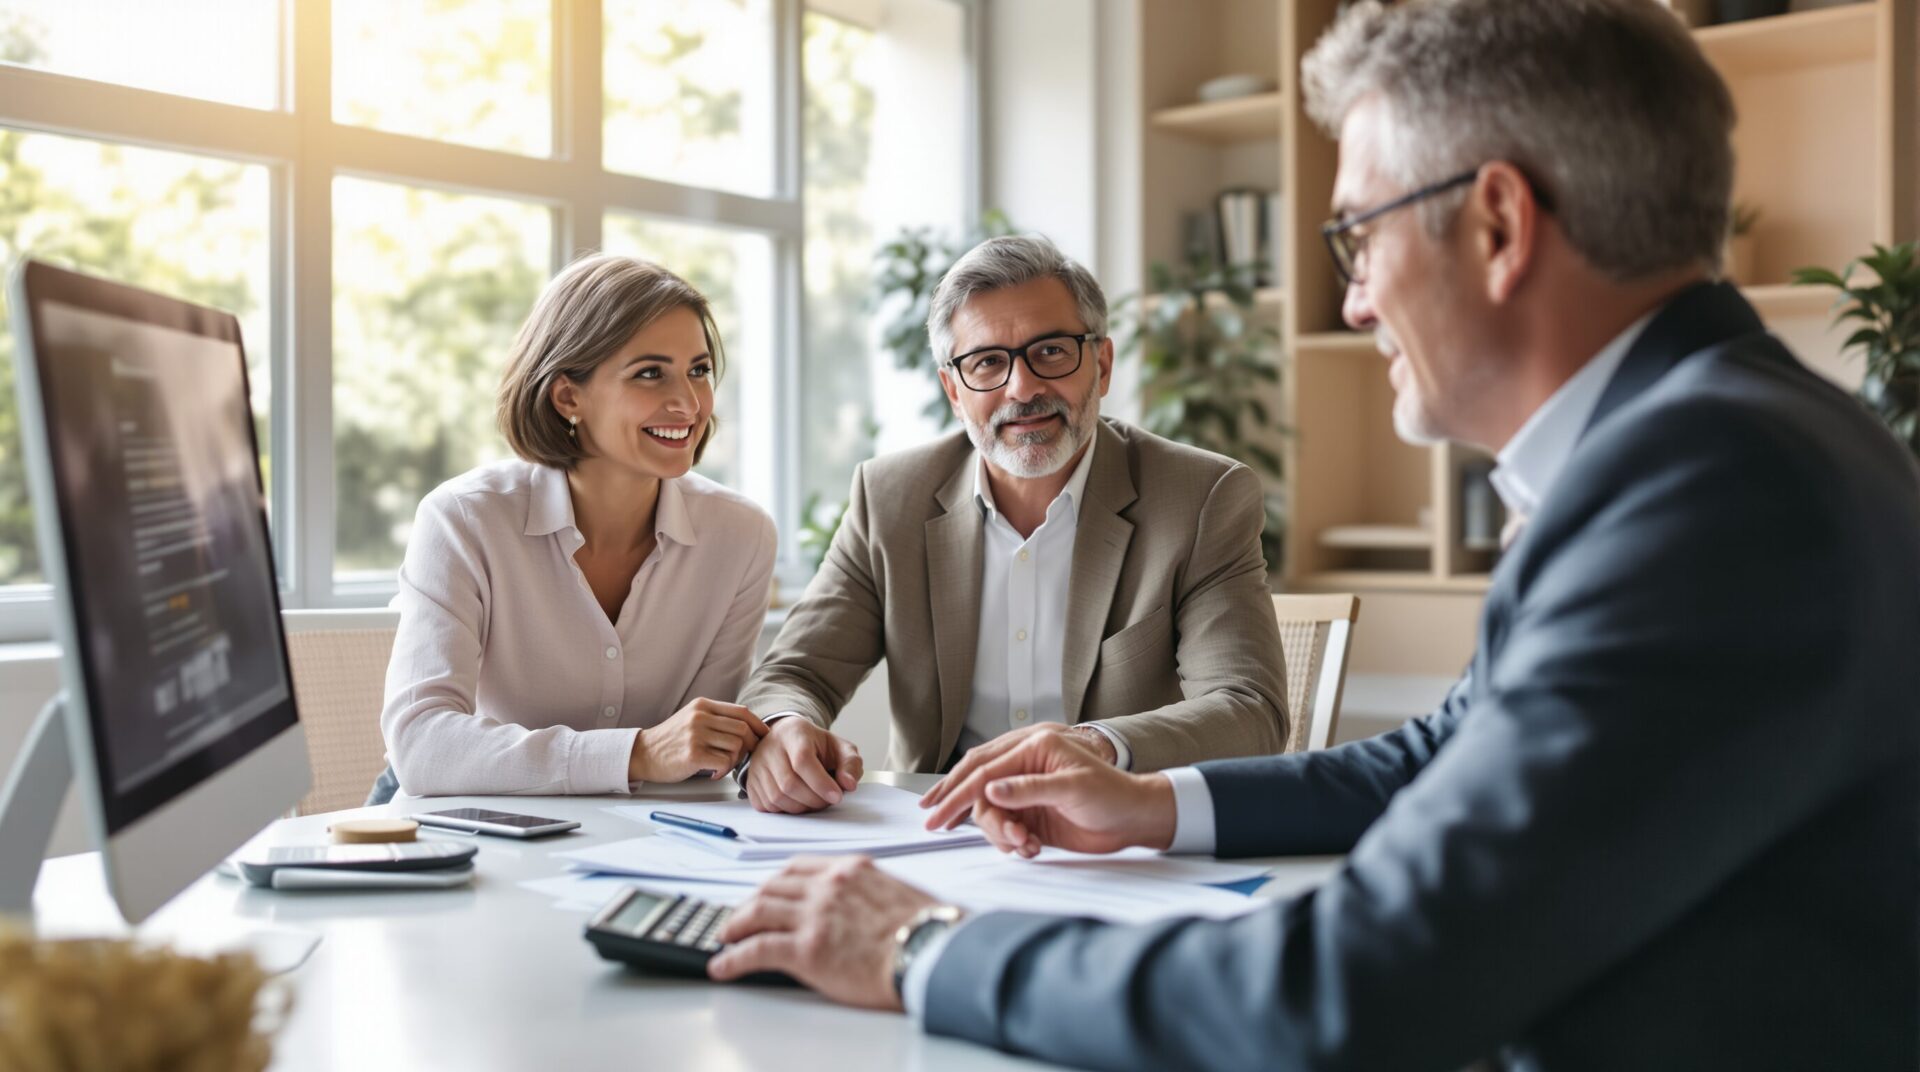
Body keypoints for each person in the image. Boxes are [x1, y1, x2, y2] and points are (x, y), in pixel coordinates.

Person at [705, 2, 1920, 1067]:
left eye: (1357, 234)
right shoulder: (1708, 445)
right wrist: (1148, 804)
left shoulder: (1707, 488)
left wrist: (924, 945)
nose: (1348, 296)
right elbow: (1422, 760)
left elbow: (1356, 988)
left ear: (1497, 223)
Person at [733, 234, 1290, 815]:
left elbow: (1248, 709)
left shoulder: (1199, 499)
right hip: (938, 835)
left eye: (1050, 352)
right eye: (988, 363)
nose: (1022, 389)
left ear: (1101, 364)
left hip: (1113, 832)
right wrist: (784, 726)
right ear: (954, 389)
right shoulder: (890, 498)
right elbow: (797, 670)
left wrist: (1094, 746)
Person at [372, 253, 776, 800]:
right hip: (471, 827)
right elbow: (421, 746)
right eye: (650, 373)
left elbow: (702, 751)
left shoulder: (741, 536)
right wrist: (637, 753)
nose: (687, 403)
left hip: (645, 834)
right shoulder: (464, 520)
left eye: (699, 370)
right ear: (568, 396)